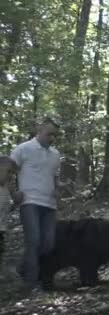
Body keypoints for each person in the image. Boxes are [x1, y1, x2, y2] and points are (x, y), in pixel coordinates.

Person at [10, 118, 61, 291]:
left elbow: (54, 176)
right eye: (49, 134)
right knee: (34, 240)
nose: (52, 138)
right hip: (29, 201)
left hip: (49, 204)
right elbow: (7, 171)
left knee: (48, 243)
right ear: (39, 130)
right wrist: (13, 193)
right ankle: (32, 284)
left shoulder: (55, 154)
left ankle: (22, 268)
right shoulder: (23, 149)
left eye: (55, 135)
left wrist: (56, 190)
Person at [0, 157, 21, 275]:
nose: (11, 176)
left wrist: (17, 200)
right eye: (8, 172)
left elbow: (6, 210)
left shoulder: (5, 189)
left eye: (12, 173)